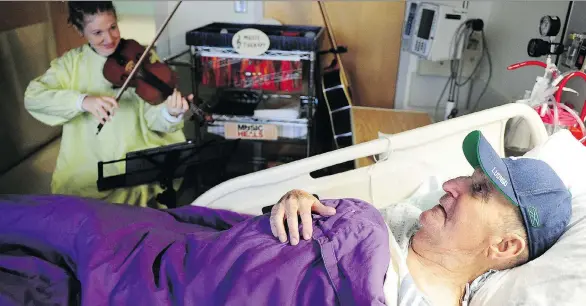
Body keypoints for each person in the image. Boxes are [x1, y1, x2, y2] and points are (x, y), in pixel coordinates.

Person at [268, 130, 572, 305]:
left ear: (504, 246)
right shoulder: (401, 219)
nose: (450, 185)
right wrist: (305, 204)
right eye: (468, 177)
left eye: (479, 190)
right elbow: (334, 232)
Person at [24, 1, 190, 208]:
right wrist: (82, 101)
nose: (109, 39)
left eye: (113, 27)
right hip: (89, 170)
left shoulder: (140, 56)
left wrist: (170, 114)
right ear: (79, 30)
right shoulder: (71, 65)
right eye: (97, 33)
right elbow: (34, 97)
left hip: (138, 167)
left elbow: (155, 119)